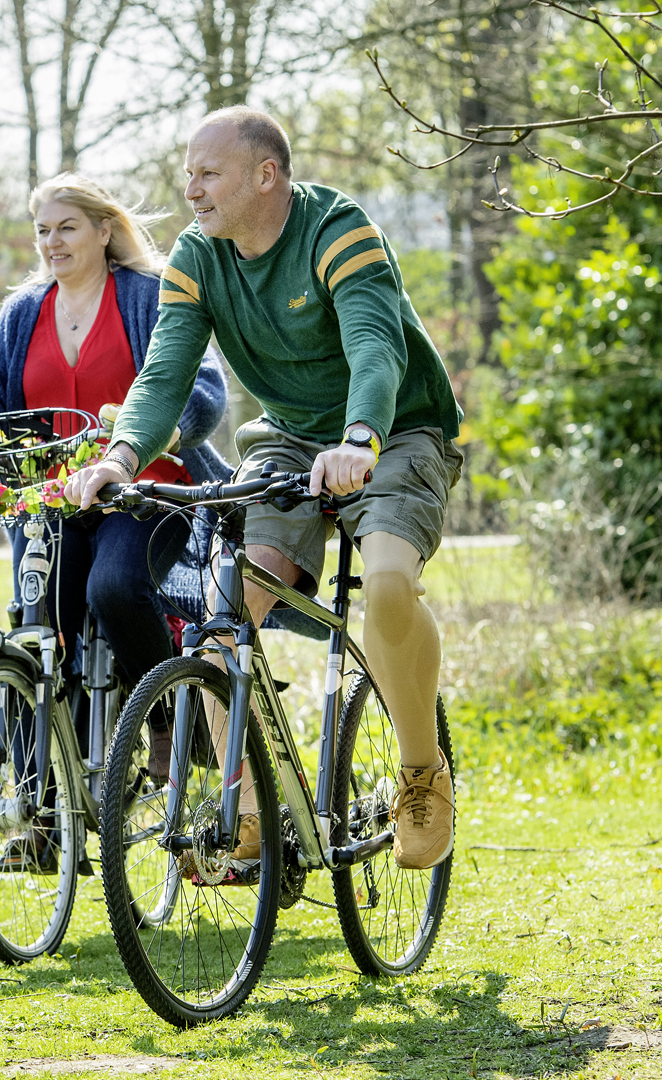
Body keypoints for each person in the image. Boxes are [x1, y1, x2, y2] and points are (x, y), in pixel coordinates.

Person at [64, 108, 465, 872]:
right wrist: (120, 456)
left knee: (384, 585)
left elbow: (374, 347)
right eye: (188, 174)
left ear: (265, 175)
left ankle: (423, 773)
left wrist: (359, 439)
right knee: (222, 622)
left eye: (206, 173)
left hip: (397, 427)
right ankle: (251, 814)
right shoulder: (197, 256)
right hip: (286, 437)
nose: (191, 190)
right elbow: (165, 372)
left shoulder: (337, 230)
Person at [0, 173, 231, 788]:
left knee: (114, 588)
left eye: (67, 227)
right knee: (34, 629)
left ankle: (167, 715)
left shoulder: (147, 295)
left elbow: (201, 388)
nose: (53, 242)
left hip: (144, 491)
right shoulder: (24, 312)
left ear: (104, 230)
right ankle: (31, 812)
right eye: (43, 230)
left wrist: (157, 436)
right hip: (50, 502)